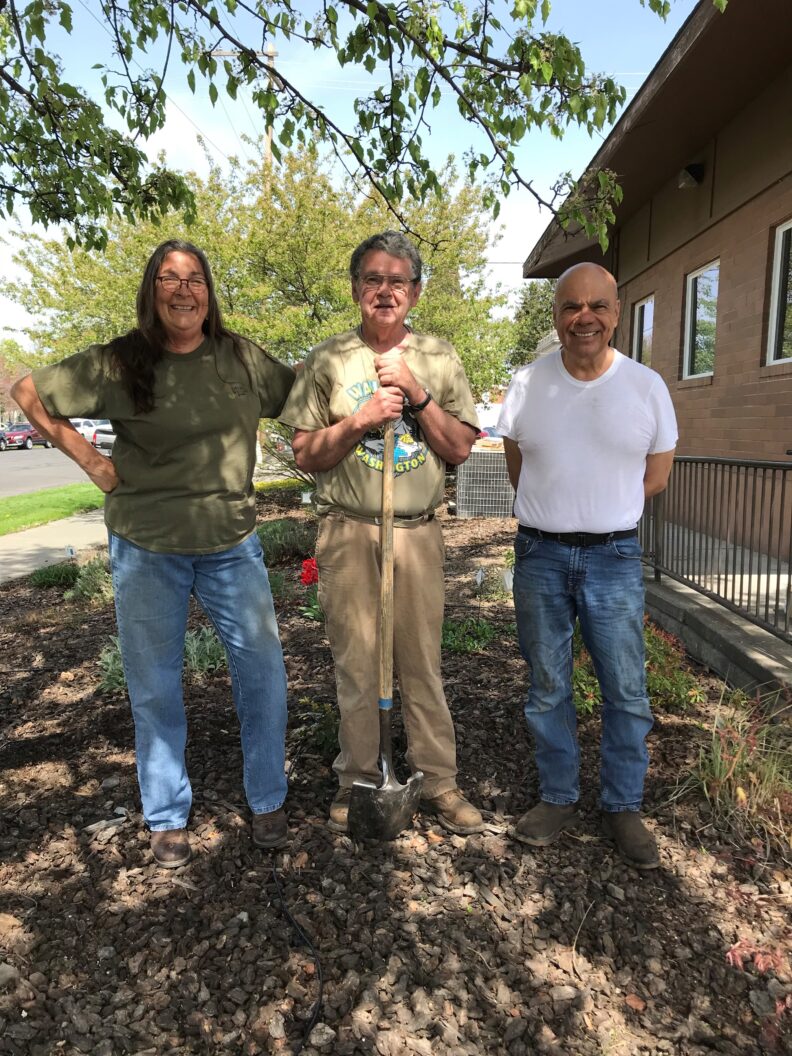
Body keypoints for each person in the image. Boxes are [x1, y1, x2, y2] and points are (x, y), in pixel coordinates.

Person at [11, 239, 295, 868]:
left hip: (231, 543)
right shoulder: (120, 361)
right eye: (169, 278)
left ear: (209, 293)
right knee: (154, 685)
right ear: (152, 290)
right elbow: (27, 390)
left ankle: (267, 797)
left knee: (263, 674)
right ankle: (166, 814)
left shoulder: (240, 357)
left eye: (195, 279)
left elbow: (302, 397)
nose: (183, 290)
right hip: (146, 545)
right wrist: (91, 461)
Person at [279, 230, 484, 836]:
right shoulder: (328, 360)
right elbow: (305, 453)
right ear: (355, 289)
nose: (386, 291)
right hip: (348, 532)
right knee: (357, 665)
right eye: (374, 279)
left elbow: (460, 448)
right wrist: (362, 419)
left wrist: (416, 394)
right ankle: (359, 779)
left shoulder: (439, 358)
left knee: (421, 662)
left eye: (398, 281)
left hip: (416, 533)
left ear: (415, 292)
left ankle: (438, 781)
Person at [497, 262, 677, 870]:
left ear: (617, 313)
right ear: (555, 314)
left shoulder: (646, 387)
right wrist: (560, 511)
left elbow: (655, 476)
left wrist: (602, 510)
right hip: (540, 554)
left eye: (598, 306)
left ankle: (623, 806)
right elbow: (519, 466)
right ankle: (558, 797)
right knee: (547, 686)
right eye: (571, 306)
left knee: (625, 689)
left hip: (613, 557)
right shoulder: (527, 384)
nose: (584, 318)